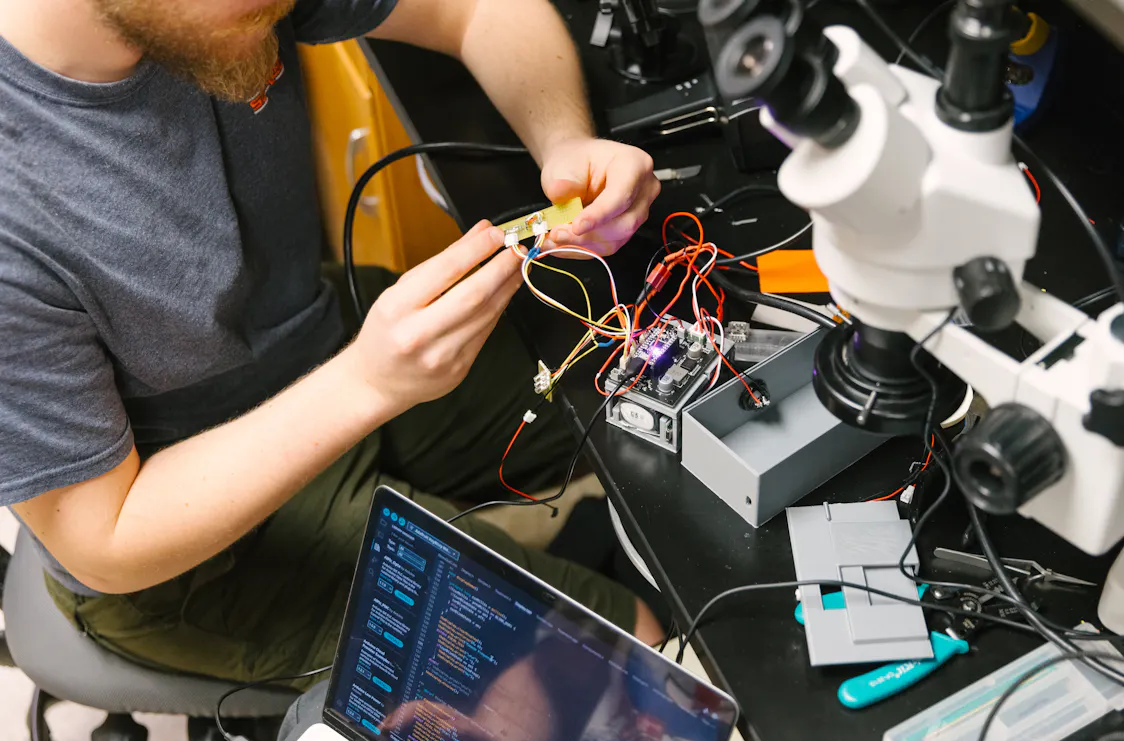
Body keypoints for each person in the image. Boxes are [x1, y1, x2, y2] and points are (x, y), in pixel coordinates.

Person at [0, 0, 665, 687]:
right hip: (190, 545)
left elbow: (475, 9)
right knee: (628, 663)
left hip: (319, 337)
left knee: (645, 395)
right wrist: (368, 384)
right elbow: (104, 545)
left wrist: (564, 141)